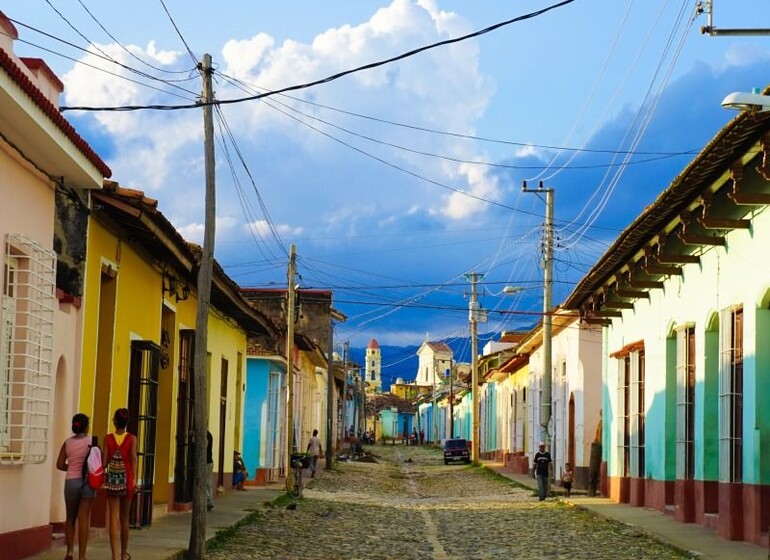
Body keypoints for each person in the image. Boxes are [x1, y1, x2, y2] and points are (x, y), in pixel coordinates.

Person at [56, 413, 96, 560]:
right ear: (86, 426)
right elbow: (97, 463)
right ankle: (83, 556)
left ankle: (70, 552)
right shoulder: (92, 442)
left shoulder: (67, 443)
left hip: (71, 482)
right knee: (84, 518)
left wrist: (72, 468)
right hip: (87, 482)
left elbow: (59, 464)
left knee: (70, 518)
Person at [103, 408, 138, 560]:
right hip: (127, 482)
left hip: (112, 482)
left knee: (113, 518)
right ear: (126, 422)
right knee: (124, 519)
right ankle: (124, 554)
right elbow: (134, 459)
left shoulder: (108, 439)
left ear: (114, 421)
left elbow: (104, 462)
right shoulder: (132, 439)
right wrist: (134, 479)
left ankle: (114, 556)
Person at [206, 431, 215, 511]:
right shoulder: (209, 434)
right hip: (210, 462)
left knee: (204, 483)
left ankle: (208, 501)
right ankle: (210, 501)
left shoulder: (205, 434)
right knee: (208, 483)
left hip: (206, 462)